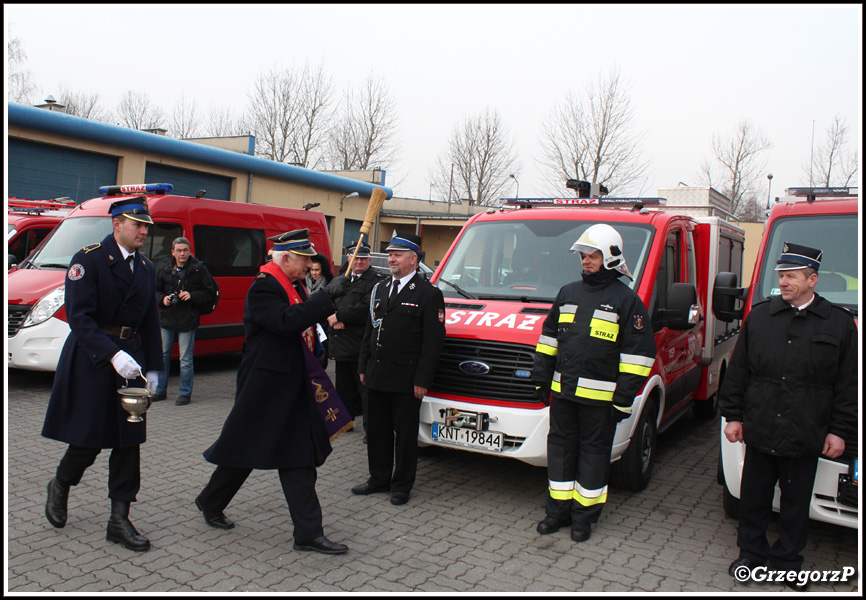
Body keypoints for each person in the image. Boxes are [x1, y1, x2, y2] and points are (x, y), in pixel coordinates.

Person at [195, 229, 351, 555]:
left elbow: (303, 327)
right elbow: (285, 322)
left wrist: (319, 347)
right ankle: (211, 501)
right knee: (243, 449)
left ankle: (308, 532)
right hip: (263, 388)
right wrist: (325, 299)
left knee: (297, 458)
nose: (310, 264)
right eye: (305, 259)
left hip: (291, 385)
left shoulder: (291, 284)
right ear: (285, 258)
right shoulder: (264, 287)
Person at [720, 242, 857, 591]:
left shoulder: (839, 324)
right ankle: (750, 555)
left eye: (792, 276)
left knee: (796, 505)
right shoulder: (761, 317)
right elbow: (738, 372)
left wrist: (840, 431)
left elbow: (847, 385)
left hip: (805, 430)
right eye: (781, 276)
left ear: (813, 280)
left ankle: (786, 562)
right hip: (762, 425)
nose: (784, 282)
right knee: (754, 498)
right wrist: (732, 416)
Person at [42, 197, 163, 552]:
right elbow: (79, 317)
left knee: (129, 441)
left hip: (132, 360)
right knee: (90, 438)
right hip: (95, 358)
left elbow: (151, 322)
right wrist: (112, 355)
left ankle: (118, 519)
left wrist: (155, 368)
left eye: (146, 226)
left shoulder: (145, 267)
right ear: (117, 224)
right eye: (137, 225)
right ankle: (61, 482)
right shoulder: (89, 258)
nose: (144, 231)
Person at [532, 223, 656, 543]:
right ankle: (556, 512)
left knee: (593, 457)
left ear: (611, 257)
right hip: (563, 395)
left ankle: (584, 518)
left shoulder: (626, 301)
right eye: (583, 255)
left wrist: (622, 399)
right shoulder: (568, 293)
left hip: (601, 403)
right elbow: (548, 341)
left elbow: (639, 356)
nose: (586, 260)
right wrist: (541, 380)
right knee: (559, 452)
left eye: (593, 255)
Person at [353, 231, 446, 506]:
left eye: (397, 255)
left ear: (413, 259)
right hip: (377, 374)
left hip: (407, 379)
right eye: (390, 254)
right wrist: (363, 365)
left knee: (404, 436)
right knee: (378, 432)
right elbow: (370, 330)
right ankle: (378, 478)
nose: (391, 259)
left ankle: (402, 484)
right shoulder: (380, 288)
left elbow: (433, 342)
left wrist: (422, 379)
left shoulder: (429, 294)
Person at [327, 243, 382, 439]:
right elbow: (328, 301)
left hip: (360, 346)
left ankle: (371, 430)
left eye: (363, 258)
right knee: (343, 389)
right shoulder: (341, 279)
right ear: (349, 258)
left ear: (369, 260)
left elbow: (367, 309)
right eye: (356, 258)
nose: (359, 262)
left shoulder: (376, 282)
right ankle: (345, 422)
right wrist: (333, 317)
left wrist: (340, 316)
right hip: (341, 344)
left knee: (366, 392)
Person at [153, 237, 217, 406]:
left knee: (185, 359)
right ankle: (160, 391)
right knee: (163, 356)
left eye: (185, 250)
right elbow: (155, 291)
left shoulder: (199, 269)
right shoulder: (165, 269)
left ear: (189, 251)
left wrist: (191, 295)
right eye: (179, 250)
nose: (182, 254)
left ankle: (185, 393)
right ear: (172, 252)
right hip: (167, 319)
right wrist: (163, 299)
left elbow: (210, 292)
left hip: (188, 319)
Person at [306, 252, 334, 368]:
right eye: (312, 270)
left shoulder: (328, 285)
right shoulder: (303, 282)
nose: (314, 273)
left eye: (317, 270)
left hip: (323, 326)